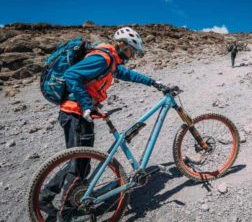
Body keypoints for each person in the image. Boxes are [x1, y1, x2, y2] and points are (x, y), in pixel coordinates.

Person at [39, 27, 168, 219]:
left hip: (78, 113)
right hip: (76, 113)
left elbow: (128, 74)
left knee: (79, 161)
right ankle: (67, 214)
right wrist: (86, 105)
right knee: (79, 166)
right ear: (122, 45)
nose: (132, 55)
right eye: (132, 50)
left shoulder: (111, 61)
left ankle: (45, 197)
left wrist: (153, 82)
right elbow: (72, 75)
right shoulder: (103, 58)